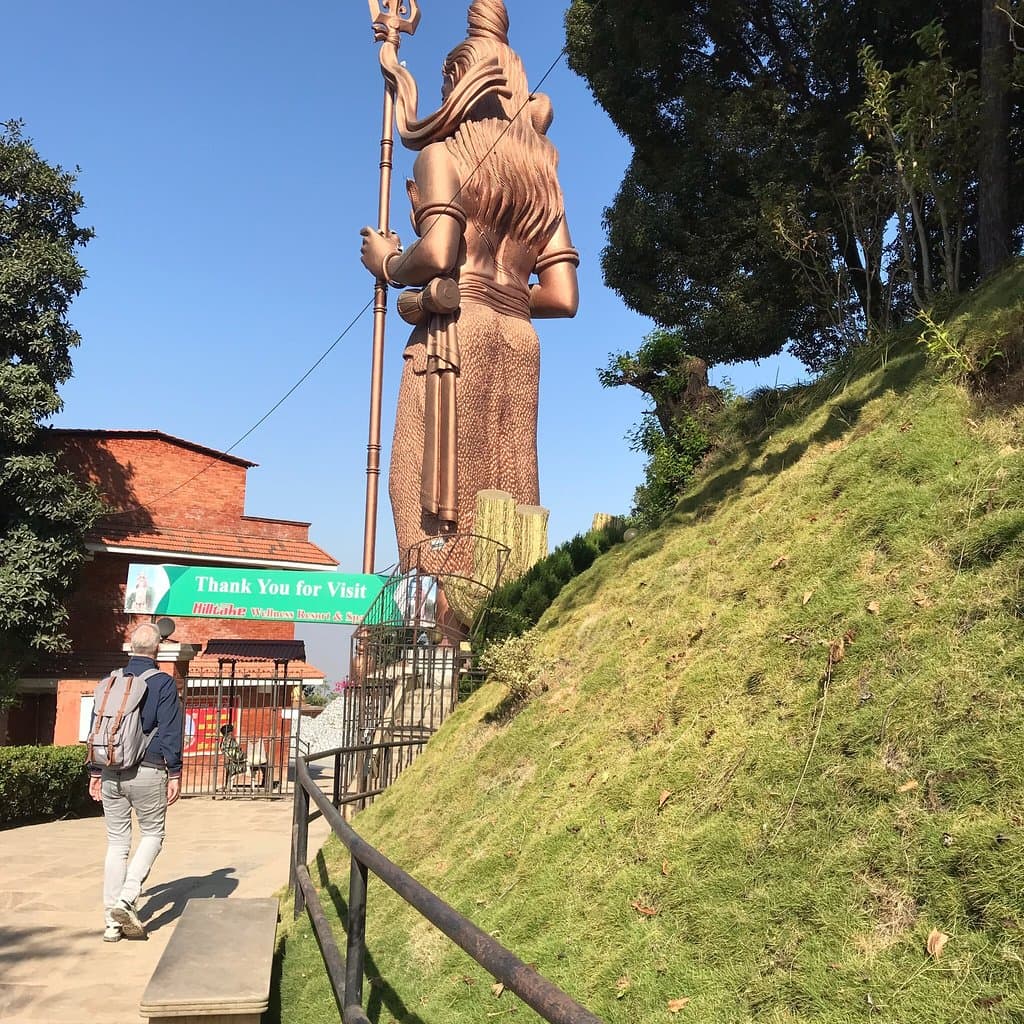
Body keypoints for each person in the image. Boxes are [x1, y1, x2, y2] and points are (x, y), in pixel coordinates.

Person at [360, 0, 579, 599]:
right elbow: (562, 296)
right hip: (519, 342)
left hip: (454, 336)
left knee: (425, 495)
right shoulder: (543, 177)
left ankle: (446, 629)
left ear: (459, 82)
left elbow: (436, 252)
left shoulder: (443, 155)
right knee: (511, 490)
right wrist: (507, 291)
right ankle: (507, 612)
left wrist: (386, 264)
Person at [88, 621, 183, 942]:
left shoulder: (110, 682)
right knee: (153, 834)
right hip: (149, 769)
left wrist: (95, 772)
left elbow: (97, 728)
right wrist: (175, 772)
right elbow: (170, 731)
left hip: (111, 770)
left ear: (130, 647)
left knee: (117, 844)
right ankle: (127, 898)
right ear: (157, 648)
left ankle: (110, 923)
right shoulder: (164, 684)